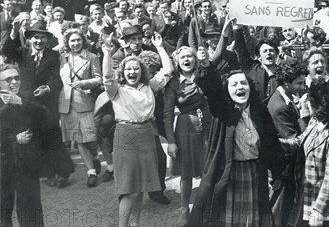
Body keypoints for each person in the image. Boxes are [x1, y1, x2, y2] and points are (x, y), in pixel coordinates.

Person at [187, 51, 284, 227]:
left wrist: (277, 172)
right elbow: (211, 89)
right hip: (229, 174)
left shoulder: (260, 111)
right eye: (234, 84)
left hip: (255, 173)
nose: (240, 87)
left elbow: (272, 143)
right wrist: (207, 65)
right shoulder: (222, 110)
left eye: (243, 83)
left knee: (253, 220)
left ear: (250, 87)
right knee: (230, 220)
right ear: (227, 90)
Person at [101, 32, 171, 227]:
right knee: (129, 189)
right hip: (126, 135)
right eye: (128, 69)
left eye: (136, 69)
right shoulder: (116, 90)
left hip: (147, 133)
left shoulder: (149, 87)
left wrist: (160, 47)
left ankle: (135, 224)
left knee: (141, 187)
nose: (132, 72)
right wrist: (107, 52)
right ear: (122, 72)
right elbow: (107, 76)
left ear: (142, 71)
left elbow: (167, 71)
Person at [2, 19, 74, 188]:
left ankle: (63, 172)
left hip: (47, 102)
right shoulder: (23, 53)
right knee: (37, 137)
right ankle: (48, 172)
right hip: (26, 101)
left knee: (52, 136)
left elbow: (58, 79)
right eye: (35, 37)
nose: (38, 41)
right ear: (29, 39)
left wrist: (48, 89)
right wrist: (13, 32)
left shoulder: (54, 56)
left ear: (47, 40)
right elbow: (7, 50)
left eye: (42, 37)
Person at [279, 76, 329, 227]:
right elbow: (299, 143)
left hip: (327, 208)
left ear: (317, 104)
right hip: (307, 198)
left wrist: (318, 210)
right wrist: (273, 143)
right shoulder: (314, 121)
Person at [163, 46, 212, 226]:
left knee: (209, 167)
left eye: (189, 56)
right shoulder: (173, 83)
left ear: (195, 58)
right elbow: (167, 114)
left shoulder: (204, 75)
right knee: (187, 171)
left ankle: (207, 207)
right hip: (186, 127)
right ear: (177, 61)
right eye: (182, 57)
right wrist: (171, 141)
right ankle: (184, 208)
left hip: (209, 123)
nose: (186, 60)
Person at [0, 64, 48, 227]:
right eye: (8, 79)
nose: (14, 82)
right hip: (3, 163)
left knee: (31, 209)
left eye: (16, 78)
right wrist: (14, 140)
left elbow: (45, 117)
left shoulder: (27, 96)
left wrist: (20, 101)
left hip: (26, 162)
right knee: (3, 210)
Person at [59, 28, 103, 187]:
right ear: (67, 43)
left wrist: (85, 83)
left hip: (85, 101)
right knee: (78, 139)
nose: (75, 43)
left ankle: (95, 156)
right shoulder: (62, 57)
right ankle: (91, 172)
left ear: (83, 41)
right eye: (72, 41)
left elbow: (99, 79)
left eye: (78, 40)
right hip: (67, 103)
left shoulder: (92, 57)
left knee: (91, 137)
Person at [267, 59, 307, 227]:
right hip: (284, 170)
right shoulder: (280, 106)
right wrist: (304, 116)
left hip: (287, 169)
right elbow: (296, 142)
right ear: (286, 82)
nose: (303, 87)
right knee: (280, 212)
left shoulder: (286, 99)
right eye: (299, 83)